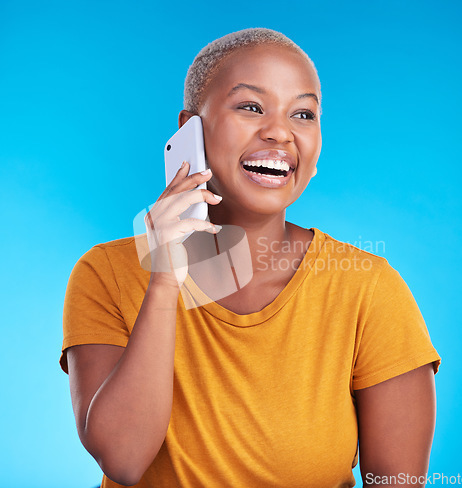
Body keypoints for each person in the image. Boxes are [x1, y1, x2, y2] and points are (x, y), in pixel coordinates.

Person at [60, 28, 441, 488]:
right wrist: (164, 280)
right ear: (188, 131)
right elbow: (123, 458)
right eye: (251, 107)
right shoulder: (106, 274)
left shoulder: (367, 288)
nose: (280, 132)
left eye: (303, 114)